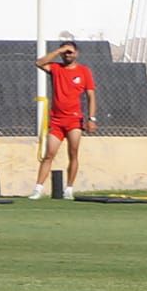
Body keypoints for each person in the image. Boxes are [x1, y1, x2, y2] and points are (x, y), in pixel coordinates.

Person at [29, 41, 97, 200]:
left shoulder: (84, 71)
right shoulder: (56, 68)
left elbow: (91, 96)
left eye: (71, 52)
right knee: (49, 154)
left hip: (74, 120)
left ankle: (69, 188)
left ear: (77, 53)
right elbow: (39, 62)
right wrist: (59, 50)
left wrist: (91, 118)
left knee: (73, 153)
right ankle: (38, 189)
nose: (68, 55)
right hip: (57, 120)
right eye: (66, 52)